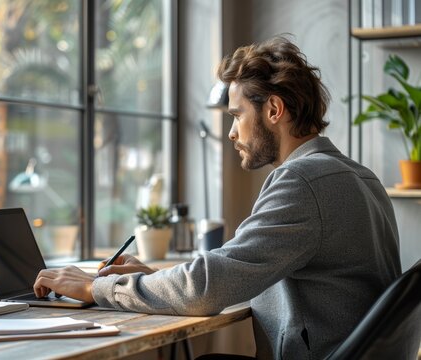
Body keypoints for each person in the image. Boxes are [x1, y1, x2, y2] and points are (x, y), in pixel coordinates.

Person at [33, 36, 402, 359]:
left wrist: (92, 287)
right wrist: (157, 279)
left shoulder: (302, 179)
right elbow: (237, 274)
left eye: (237, 115)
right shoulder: (359, 176)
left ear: (273, 110)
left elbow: (206, 289)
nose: (230, 133)